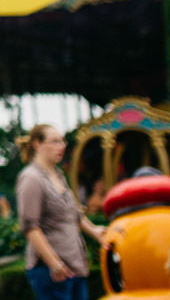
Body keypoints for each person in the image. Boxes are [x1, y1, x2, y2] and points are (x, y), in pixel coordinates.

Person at [15, 125, 104, 300]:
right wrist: (54, 264)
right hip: (51, 271)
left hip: (73, 266)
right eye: (55, 141)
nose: (62, 146)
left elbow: (73, 213)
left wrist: (94, 231)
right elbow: (30, 228)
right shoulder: (31, 178)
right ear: (37, 144)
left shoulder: (57, 174)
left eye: (62, 141)